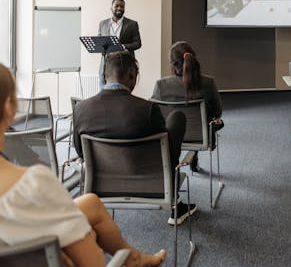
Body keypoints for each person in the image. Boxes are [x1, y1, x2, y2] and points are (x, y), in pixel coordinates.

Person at [0, 63, 166, 267]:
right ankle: (129, 259)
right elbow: (94, 263)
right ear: (9, 108)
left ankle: (134, 258)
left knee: (92, 203)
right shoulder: (33, 185)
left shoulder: (82, 109)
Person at [74, 51, 196, 226]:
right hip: (151, 185)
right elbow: (166, 154)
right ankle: (175, 200)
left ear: (104, 75)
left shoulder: (81, 109)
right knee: (176, 118)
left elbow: (81, 152)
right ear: (132, 74)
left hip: (99, 187)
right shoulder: (147, 109)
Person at [152, 41, 223, 172]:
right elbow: (217, 112)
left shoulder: (161, 86)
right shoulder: (209, 83)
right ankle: (194, 155)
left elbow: (155, 115)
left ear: (172, 65)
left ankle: (173, 163)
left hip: (169, 137)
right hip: (201, 137)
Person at [98, 0, 142, 88]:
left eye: (122, 6)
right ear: (111, 8)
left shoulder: (132, 24)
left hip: (124, 66)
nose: (119, 8)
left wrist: (123, 46)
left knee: (123, 95)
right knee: (104, 93)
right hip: (106, 65)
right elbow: (99, 42)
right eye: (116, 6)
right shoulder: (102, 24)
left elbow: (137, 43)